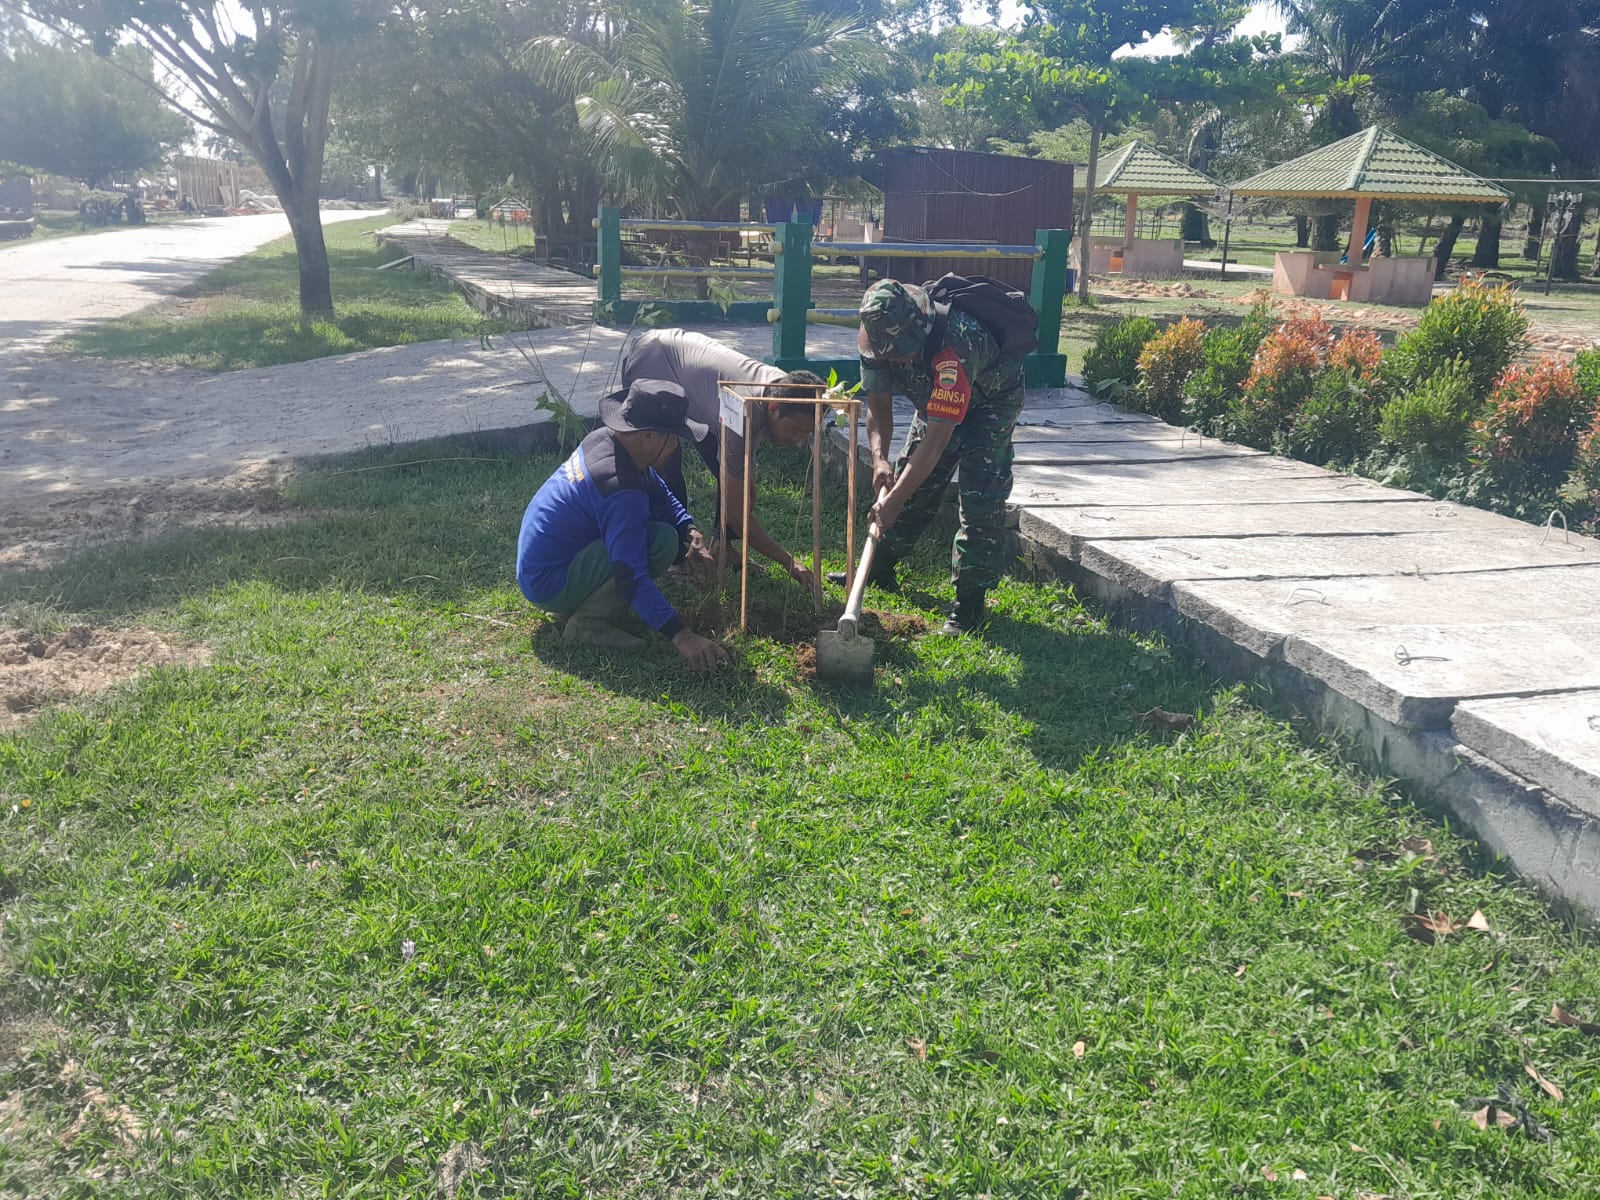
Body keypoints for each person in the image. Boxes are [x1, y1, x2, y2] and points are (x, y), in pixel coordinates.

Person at [516, 380, 730, 673]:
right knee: (657, 543)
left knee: (667, 536)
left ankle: (585, 603)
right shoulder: (620, 488)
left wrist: (688, 530)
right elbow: (629, 574)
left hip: (545, 567)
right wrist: (682, 635)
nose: (678, 446)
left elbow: (658, 490)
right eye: (675, 437)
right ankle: (587, 624)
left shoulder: (607, 440)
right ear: (650, 437)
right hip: (550, 582)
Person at [855, 279, 1025, 635]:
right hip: (932, 401)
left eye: (900, 352)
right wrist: (880, 457)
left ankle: (969, 605)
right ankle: (880, 567)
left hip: (989, 403)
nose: (896, 359)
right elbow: (878, 404)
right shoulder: (873, 336)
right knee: (909, 481)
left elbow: (936, 443)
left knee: (980, 496)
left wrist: (894, 500)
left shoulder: (955, 346)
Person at [620, 328, 827, 591]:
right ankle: (677, 558)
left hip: (697, 382)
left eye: (806, 434)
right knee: (665, 456)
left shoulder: (784, 387)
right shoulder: (744, 410)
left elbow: (740, 486)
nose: (798, 439)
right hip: (655, 360)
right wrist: (789, 562)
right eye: (796, 430)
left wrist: (744, 483)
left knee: (736, 478)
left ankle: (722, 548)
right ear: (773, 409)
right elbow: (738, 513)